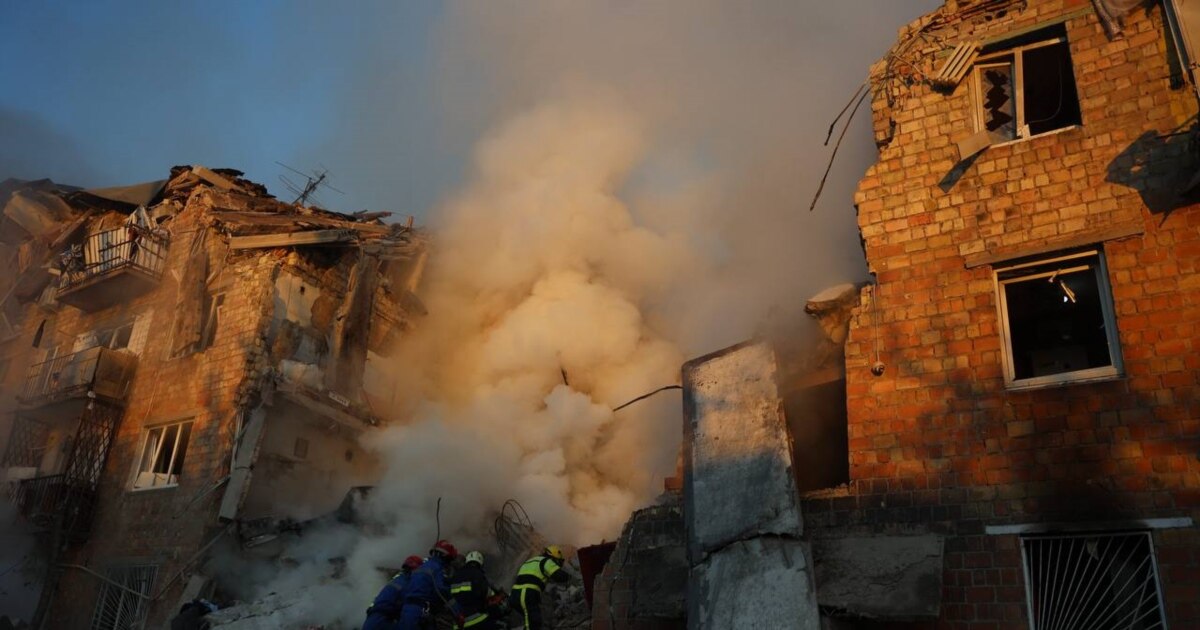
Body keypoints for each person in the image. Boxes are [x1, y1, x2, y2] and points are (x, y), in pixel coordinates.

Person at [398, 540, 462, 630]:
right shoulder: (437, 568)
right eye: (449, 559)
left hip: (406, 610)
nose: (449, 563)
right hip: (420, 611)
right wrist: (457, 612)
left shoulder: (420, 568)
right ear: (445, 556)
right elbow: (441, 591)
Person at [509, 545, 569, 630]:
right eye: (558, 562)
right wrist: (568, 577)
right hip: (526, 593)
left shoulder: (531, 561)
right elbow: (560, 575)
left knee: (532, 621)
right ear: (554, 557)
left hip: (515, 594)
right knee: (533, 623)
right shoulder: (547, 561)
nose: (557, 565)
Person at [363, 555, 424, 630]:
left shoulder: (396, 580)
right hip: (383, 622)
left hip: (370, 621)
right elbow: (410, 609)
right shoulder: (407, 584)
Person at [450, 551, 505, 629]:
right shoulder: (477, 574)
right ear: (480, 563)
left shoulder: (455, 576)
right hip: (475, 619)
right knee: (502, 625)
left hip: (458, 623)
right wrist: (498, 596)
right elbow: (486, 593)